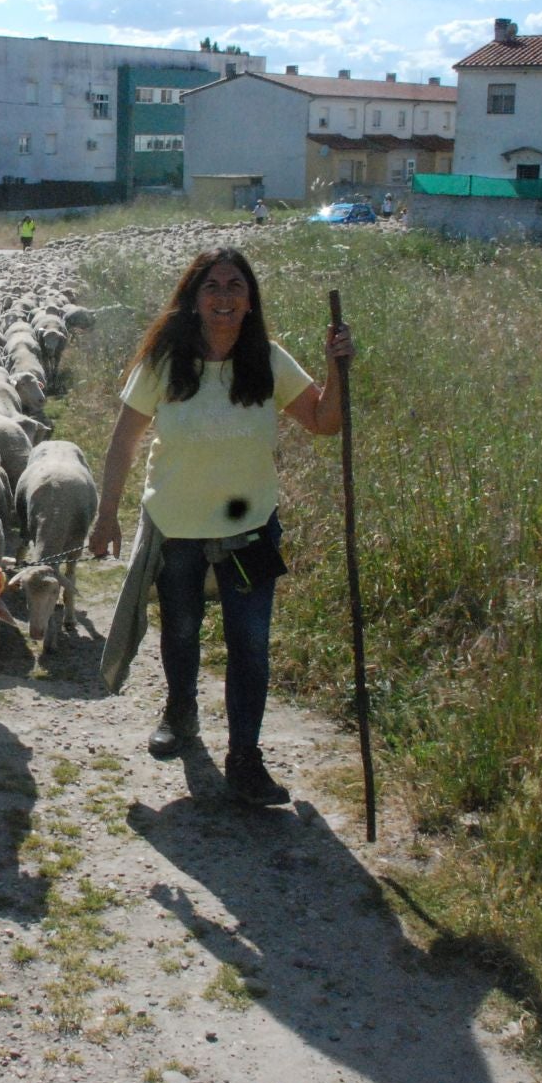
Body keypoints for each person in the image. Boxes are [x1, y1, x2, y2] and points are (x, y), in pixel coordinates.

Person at [88, 247, 353, 807]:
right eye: (212, 286)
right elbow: (123, 441)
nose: (224, 297)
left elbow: (324, 422)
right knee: (181, 630)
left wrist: (336, 367)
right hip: (177, 527)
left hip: (250, 530)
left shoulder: (268, 361)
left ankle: (245, 759)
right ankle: (180, 711)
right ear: (194, 299)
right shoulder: (164, 362)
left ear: (250, 300)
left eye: (236, 286)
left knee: (250, 646)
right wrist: (106, 513)